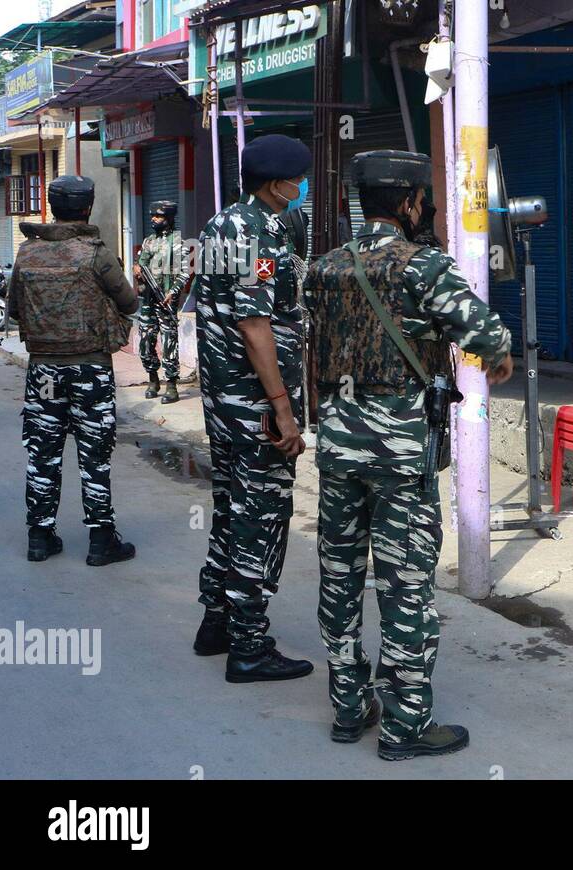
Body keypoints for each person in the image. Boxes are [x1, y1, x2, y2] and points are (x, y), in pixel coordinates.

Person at [304, 150, 513, 759]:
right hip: (398, 453)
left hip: (338, 446)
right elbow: (486, 335)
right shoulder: (424, 267)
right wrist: (493, 354)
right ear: (407, 203)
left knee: (339, 579)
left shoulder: (321, 268)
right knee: (403, 585)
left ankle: (348, 709)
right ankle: (404, 726)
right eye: (423, 198)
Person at [191, 133, 314, 681]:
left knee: (231, 505)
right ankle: (249, 645)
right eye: (298, 178)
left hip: (225, 398)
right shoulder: (257, 231)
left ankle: (216, 622)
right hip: (256, 401)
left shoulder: (222, 223)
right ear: (275, 184)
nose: (302, 187)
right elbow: (254, 323)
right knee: (262, 516)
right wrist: (283, 408)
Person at [8, 175, 137, 566]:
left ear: (52, 206)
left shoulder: (27, 254)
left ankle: (39, 537)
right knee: (94, 455)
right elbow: (129, 303)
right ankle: (101, 540)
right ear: (86, 207)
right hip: (90, 371)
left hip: (44, 372)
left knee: (42, 453)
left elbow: (14, 310)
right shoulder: (95, 254)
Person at [134, 200, 189, 403]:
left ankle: (171, 385)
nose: (153, 219)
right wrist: (137, 269)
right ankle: (152, 379)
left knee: (168, 343)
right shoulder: (149, 241)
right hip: (148, 298)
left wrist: (173, 292)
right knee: (146, 341)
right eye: (152, 216)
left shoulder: (178, 242)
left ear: (169, 218)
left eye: (158, 216)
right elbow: (140, 264)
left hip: (166, 300)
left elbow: (185, 273)